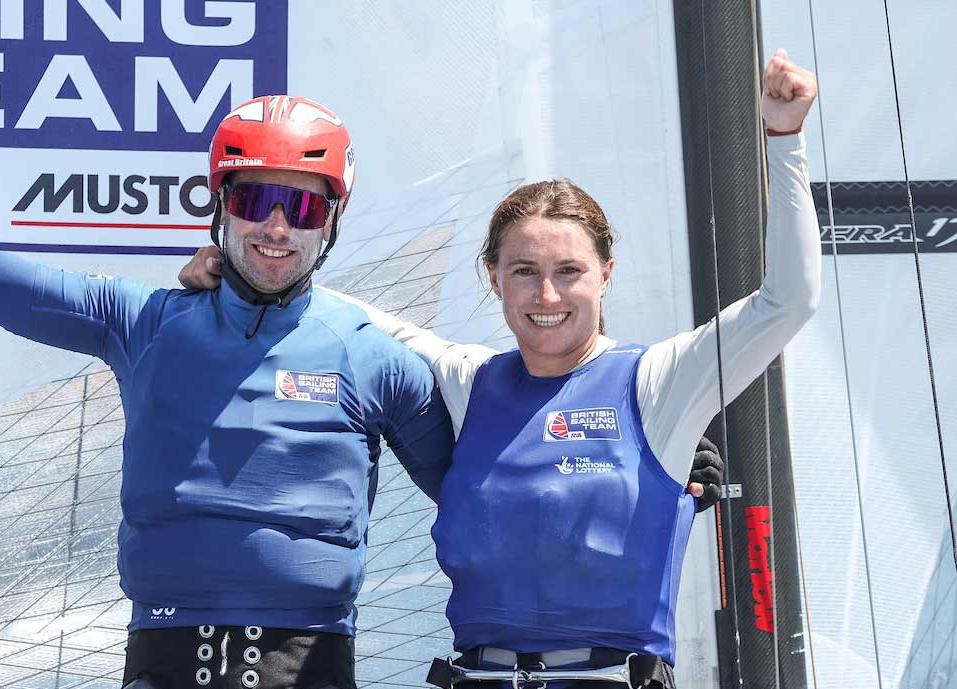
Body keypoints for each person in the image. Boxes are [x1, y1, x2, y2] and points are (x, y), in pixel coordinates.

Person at [0, 21, 722, 689]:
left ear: (333, 220)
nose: (278, 228)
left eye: (306, 205)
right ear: (221, 202)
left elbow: (504, 488)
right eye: (257, 200)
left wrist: (646, 459)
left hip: (312, 665)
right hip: (158, 661)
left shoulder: (377, 359)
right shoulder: (145, 322)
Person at [181, 50, 819, 688]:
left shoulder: (657, 382)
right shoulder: (469, 379)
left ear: (606, 275)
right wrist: (235, 270)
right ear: (493, 279)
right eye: (524, 272)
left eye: (568, 272)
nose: (546, 296)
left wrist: (784, 139)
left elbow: (787, 302)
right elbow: (347, 311)